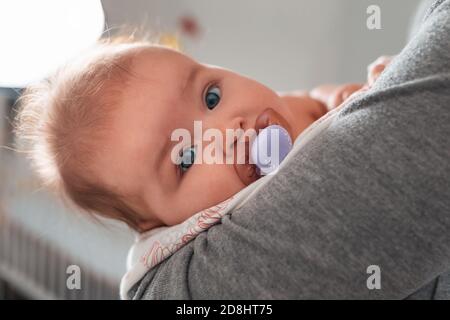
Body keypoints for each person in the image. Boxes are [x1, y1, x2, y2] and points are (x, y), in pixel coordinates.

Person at [126, 0, 450, 299]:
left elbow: (312, 100)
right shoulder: (198, 258)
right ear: (161, 226)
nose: (228, 129)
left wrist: (339, 98)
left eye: (212, 97)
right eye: (187, 157)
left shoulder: (280, 113)